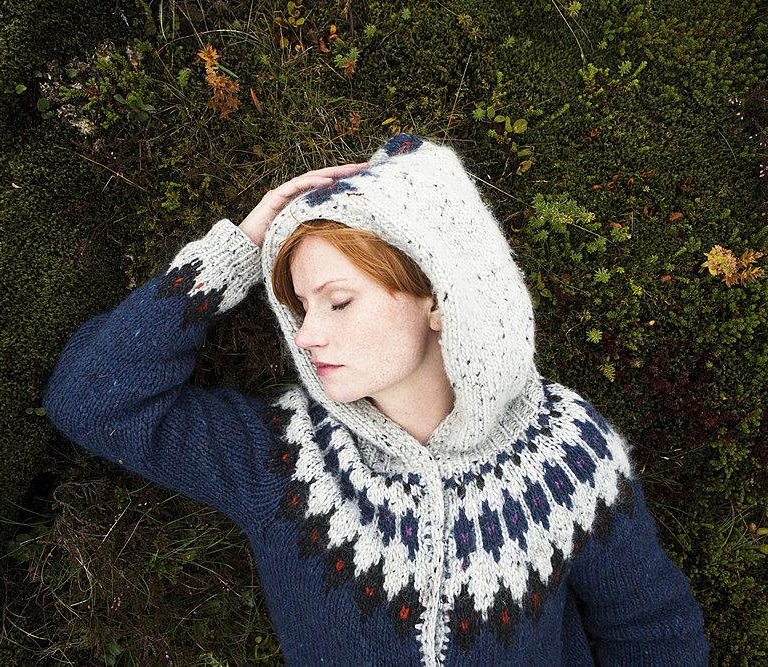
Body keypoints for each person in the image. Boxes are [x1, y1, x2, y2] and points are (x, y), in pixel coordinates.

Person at [44, 134, 710, 666]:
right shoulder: (278, 459)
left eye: (337, 300)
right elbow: (90, 400)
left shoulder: (567, 451)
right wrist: (235, 253)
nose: (306, 334)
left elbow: (649, 628)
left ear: (436, 297)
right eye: (300, 306)